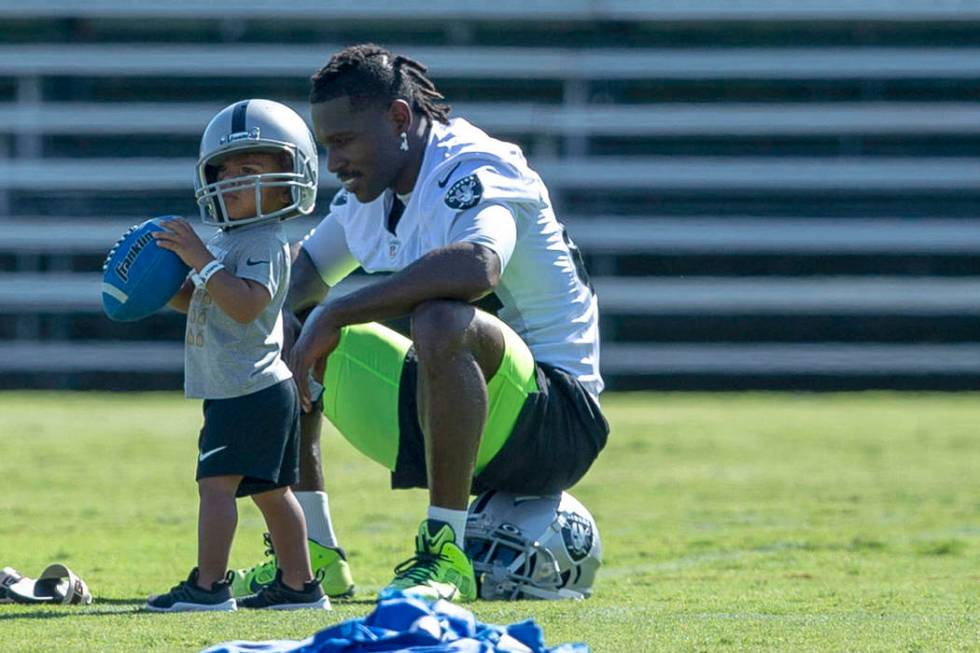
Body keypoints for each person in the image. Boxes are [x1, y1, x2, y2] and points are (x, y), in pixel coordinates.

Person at [238, 43, 609, 603]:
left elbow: (479, 266)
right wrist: (215, 291)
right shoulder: (373, 186)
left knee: (441, 317)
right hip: (454, 414)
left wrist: (339, 310)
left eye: (344, 141)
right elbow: (304, 276)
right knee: (286, 329)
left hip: (556, 419)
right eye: (326, 145)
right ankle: (309, 558)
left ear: (399, 119)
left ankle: (444, 552)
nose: (334, 161)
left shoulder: (475, 165)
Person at [144, 99, 329, 612]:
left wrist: (201, 261)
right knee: (273, 492)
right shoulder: (231, 241)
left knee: (216, 488)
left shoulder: (264, 240)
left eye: (248, 170)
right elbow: (210, 300)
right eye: (224, 170)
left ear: (290, 177)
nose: (231, 181)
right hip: (249, 386)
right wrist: (161, 286)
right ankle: (300, 586)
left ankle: (208, 587)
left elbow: (246, 305)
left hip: (247, 387)